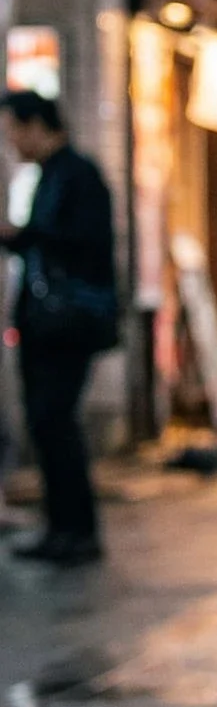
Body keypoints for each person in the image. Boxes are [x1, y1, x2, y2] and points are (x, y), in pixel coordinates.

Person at [0, 89, 117, 564]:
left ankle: (76, 530)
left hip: (67, 323)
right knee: (47, 423)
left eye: (13, 131)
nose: (11, 143)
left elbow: (86, 242)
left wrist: (23, 236)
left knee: (54, 419)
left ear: (35, 126)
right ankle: (63, 527)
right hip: (45, 320)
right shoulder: (51, 174)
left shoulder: (78, 174)